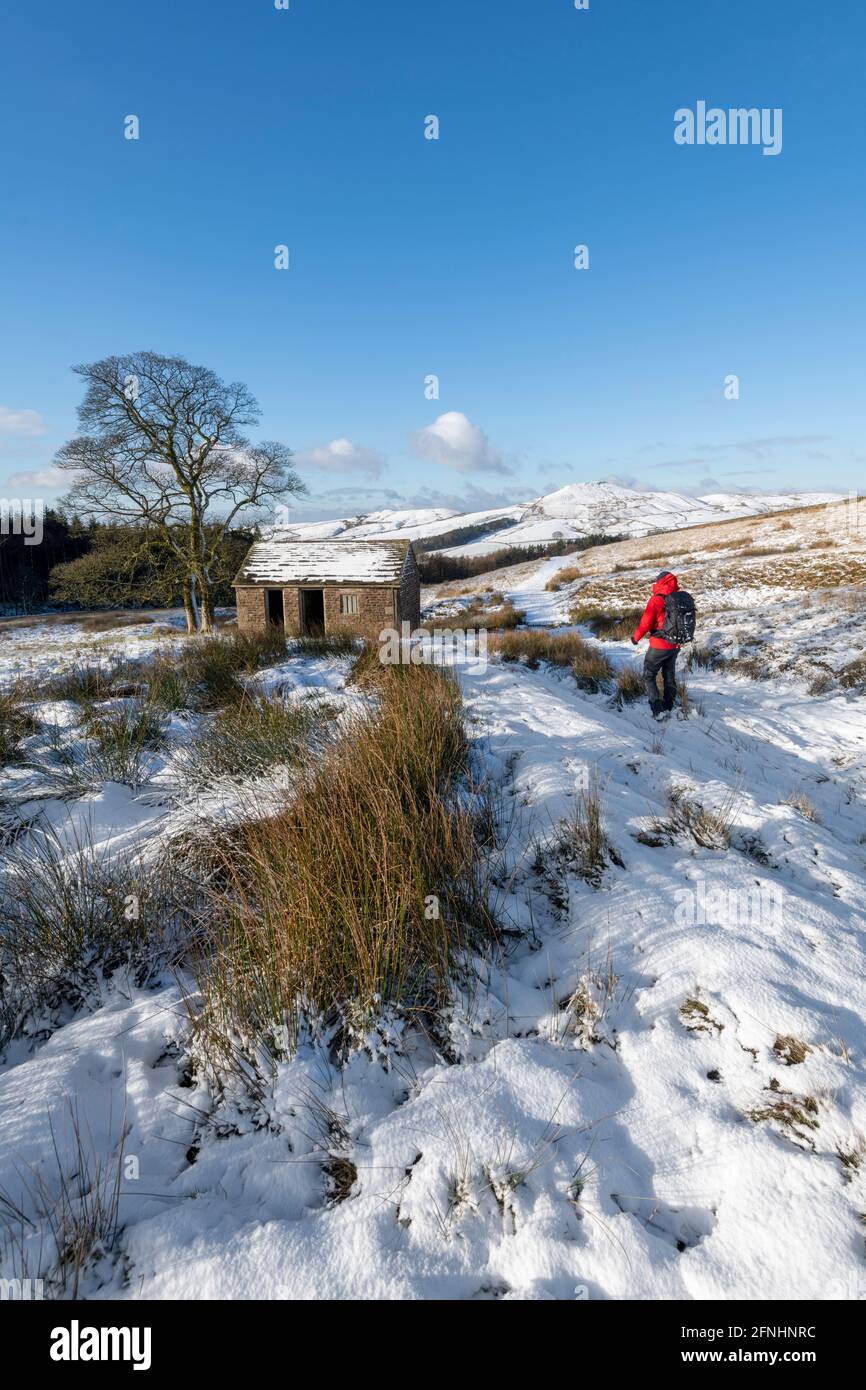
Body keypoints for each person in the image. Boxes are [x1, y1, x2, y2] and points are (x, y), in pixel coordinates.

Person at [631, 570, 693, 718]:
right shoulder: (678, 597)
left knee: (649, 675)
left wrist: (635, 638)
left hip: (659, 645)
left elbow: (646, 622)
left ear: (659, 582)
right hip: (675, 645)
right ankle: (669, 704)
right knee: (669, 674)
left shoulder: (657, 599)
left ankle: (657, 709)